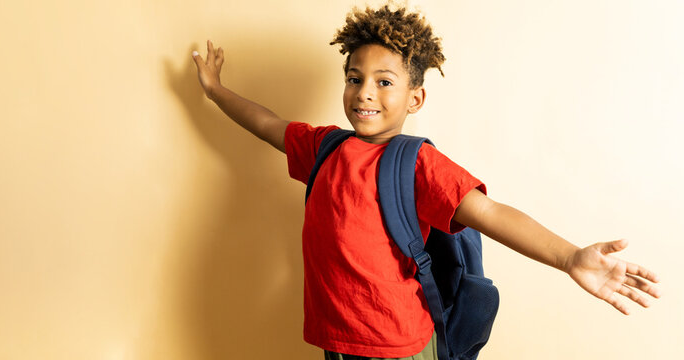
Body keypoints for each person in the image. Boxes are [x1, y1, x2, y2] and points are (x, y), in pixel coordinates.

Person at [190, 4, 661, 360]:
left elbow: (492, 214)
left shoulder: (417, 164)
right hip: (337, 342)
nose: (365, 92)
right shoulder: (325, 148)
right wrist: (215, 90)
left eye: (384, 81)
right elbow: (268, 123)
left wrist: (571, 258)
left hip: (398, 347)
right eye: (354, 78)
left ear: (415, 98)